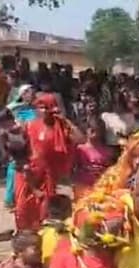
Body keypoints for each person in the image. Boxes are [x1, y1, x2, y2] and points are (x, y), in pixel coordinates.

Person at [15, 93, 84, 230]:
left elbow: (81, 140)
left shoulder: (61, 127)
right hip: (30, 173)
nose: (44, 111)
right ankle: (26, 233)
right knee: (24, 207)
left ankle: (43, 235)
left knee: (45, 209)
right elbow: (21, 148)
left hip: (49, 177)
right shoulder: (31, 125)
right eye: (40, 107)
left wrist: (66, 121)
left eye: (47, 107)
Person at [72, 116, 115, 200]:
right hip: (82, 186)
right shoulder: (79, 149)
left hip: (101, 187)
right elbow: (72, 168)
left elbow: (111, 171)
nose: (91, 130)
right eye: (89, 127)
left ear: (101, 131)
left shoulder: (108, 151)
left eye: (95, 128)